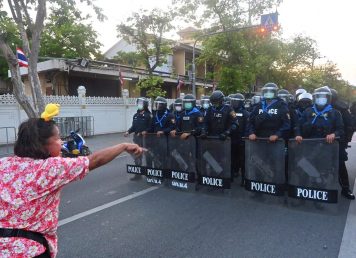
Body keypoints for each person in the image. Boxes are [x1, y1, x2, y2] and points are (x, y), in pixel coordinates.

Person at [0, 109, 143, 257]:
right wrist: (124, 146)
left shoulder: (3, 164)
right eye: (57, 138)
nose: (61, 142)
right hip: (30, 251)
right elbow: (94, 160)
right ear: (43, 144)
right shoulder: (50, 168)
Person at [295, 86, 354, 199]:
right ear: (315, 98)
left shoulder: (335, 113)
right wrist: (298, 134)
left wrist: (334, 134)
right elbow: (298, 125)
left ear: (328, 98)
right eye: (318, 97)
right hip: (311, 145)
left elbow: (341, 129)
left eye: (323, 97)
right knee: (308, 165)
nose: (321, 99)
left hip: (330, 146)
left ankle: (346, 189)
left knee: (340, 163)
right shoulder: (308, 111)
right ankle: (310, 189)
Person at [330, 88, 355, 199]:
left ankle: (345, 188)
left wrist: (345, 140)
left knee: (340, 163)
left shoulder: (341, 108)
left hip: (338, 141)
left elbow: (349, 126)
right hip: (320, 142)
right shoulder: (316, 107)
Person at [124, 97, 152, 179]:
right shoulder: (136, 115)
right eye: (138, 103)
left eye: (141, 104)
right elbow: (134, 127)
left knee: (148, 156)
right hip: (137, 139)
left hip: (146, 140)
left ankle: (149, 173)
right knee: (137, 156)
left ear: (145, 105)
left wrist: (146, 131)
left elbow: (151, 127)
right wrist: (128, 132)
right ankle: (138, 174)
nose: (139, 105)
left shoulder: (148, 115)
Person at [229, 93, 249, 184]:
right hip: (231, 139)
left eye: (236, 101)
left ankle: (244, 179)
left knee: (243, 160)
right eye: (233, 101)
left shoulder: (246, 113)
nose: (234, 103)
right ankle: (232, 174)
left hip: (242, 140)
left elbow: (247, 127)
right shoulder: (230, 112)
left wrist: (244, 138)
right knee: (232, 158)